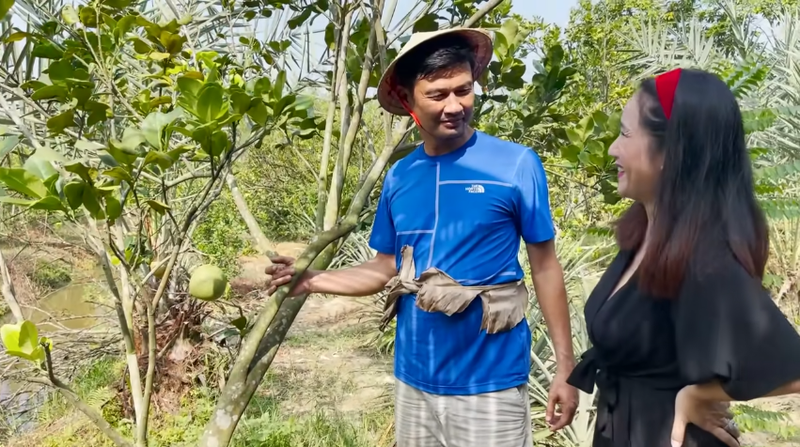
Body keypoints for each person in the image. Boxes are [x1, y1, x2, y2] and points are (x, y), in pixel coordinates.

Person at [265, 28, 578, 446]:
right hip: (414, 379)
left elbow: (545, 266)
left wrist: (565, 366)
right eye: (437, 95)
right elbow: (386, 266)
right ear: (409, 100)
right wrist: (309, 280)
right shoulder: (401, 177)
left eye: (464, 90)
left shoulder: (516, 164)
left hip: (490, 383)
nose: (455, 106)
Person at [566, 67, 800, 447]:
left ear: (670, 151)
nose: (612, 148)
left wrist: (699, 395)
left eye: (625, 134)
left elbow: (791, 366)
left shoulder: (704, 259)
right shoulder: (644, 235)